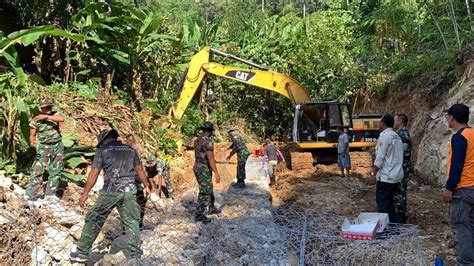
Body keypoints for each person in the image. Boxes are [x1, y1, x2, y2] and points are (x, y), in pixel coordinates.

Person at [69, 129, 151, 263]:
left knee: (94, 219)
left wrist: (85, 194)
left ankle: (82, 253)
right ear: (115, 137)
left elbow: (94, 173)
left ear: (103, 140)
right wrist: (146, 186)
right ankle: (135, 256)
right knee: (131, 222)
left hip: (110, 191)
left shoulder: (102, 151)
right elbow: (140, 170)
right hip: (130, 190)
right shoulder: (130, 150)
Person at [441, 103, 474, 265]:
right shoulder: (473, 134)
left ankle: (466, 263)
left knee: (461, 228)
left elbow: (457, 165)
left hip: (463, 189)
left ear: (452, 117)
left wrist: (449, 187)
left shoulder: (459, 137)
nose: (447, 119)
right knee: (471, 227)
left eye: (448, 116)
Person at [24, 98, 65, 202]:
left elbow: (62, 119)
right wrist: (33, 144)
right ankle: (30, 194)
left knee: (56, 170)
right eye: (46, 107)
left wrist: (47, 117)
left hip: (57, 145)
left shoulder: (55, 115)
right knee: (37, 170)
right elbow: (32, 135)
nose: (48, 109)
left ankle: (50, 195)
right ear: (41, 108)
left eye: (49, 107)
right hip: (44, 147)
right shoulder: (35, 120)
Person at [369, 115, 404, 222]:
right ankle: (392, 228)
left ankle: (382, 230)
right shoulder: (397, 136)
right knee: (390, 205)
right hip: (397, 176)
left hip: (386, 176)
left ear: (383, 123)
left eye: (380, 122)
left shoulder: (384, 136)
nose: (378, 124)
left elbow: (380, 157)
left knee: (382, 205)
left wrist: (372, 174)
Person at [194, 122, 222, 223]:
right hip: (204, 168)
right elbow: (211, 158)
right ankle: (199, 214)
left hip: (197, 167)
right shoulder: (208, 141)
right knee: (205, 191)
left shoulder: (197, 140)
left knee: (208, 187)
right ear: (210, 131)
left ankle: (211, 207)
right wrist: (216, 173)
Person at [393, 114, 412, 223]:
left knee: (400, 191)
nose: (394, 122)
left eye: (395, 120)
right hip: (399, 166)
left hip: (402, 167)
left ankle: (400, 216)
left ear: (400, 121)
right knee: (397, 191)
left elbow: (402, 153)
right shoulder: (398, 134)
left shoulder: (403, 135)